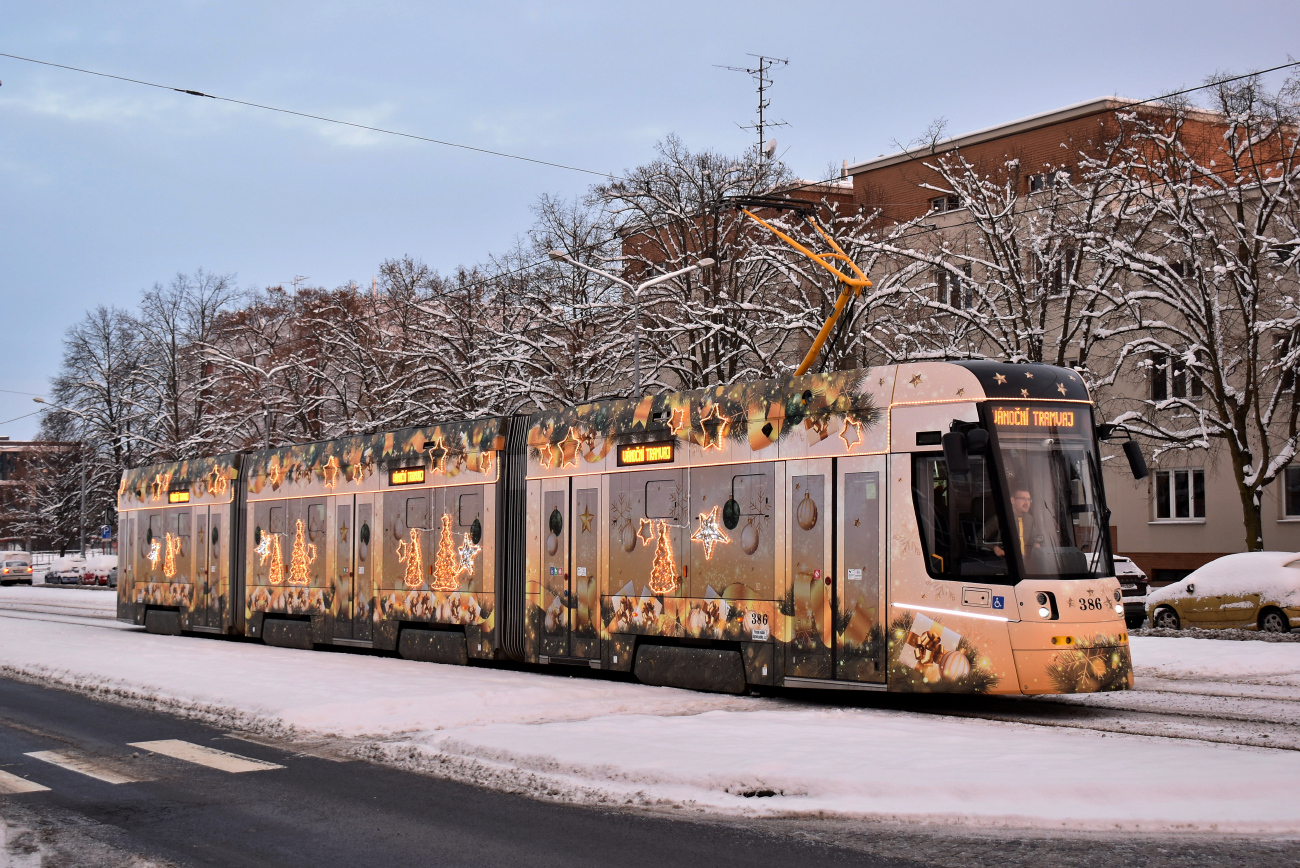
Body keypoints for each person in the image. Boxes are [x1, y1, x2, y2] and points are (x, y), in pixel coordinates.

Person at [989, 488, 1041, 559]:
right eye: (1023, 499)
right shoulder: (999, 519)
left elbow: (1035, 536)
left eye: (1029, 499)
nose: (1027, 503)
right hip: (1006, 561)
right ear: (1012, 500)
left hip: (1026, 562)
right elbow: (978, 540)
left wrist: (1037, 543)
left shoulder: (1029, 519)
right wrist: (994, 548)